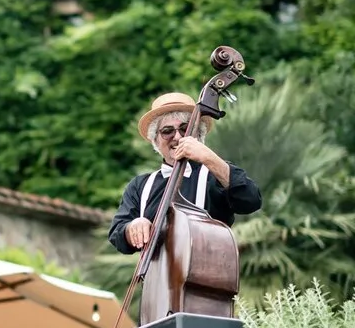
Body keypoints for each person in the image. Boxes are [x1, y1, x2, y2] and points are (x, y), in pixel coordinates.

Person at [108, 92, 262, 256]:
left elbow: (250, 201)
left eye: (185, 129)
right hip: (155, 281)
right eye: (167, 131)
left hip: (208, 275)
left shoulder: (215, 173)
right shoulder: (140, 185)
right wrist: (132, 228)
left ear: (198, 135)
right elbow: (117, 233)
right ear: (156, 140)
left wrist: (209, 158)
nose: (178, 136)